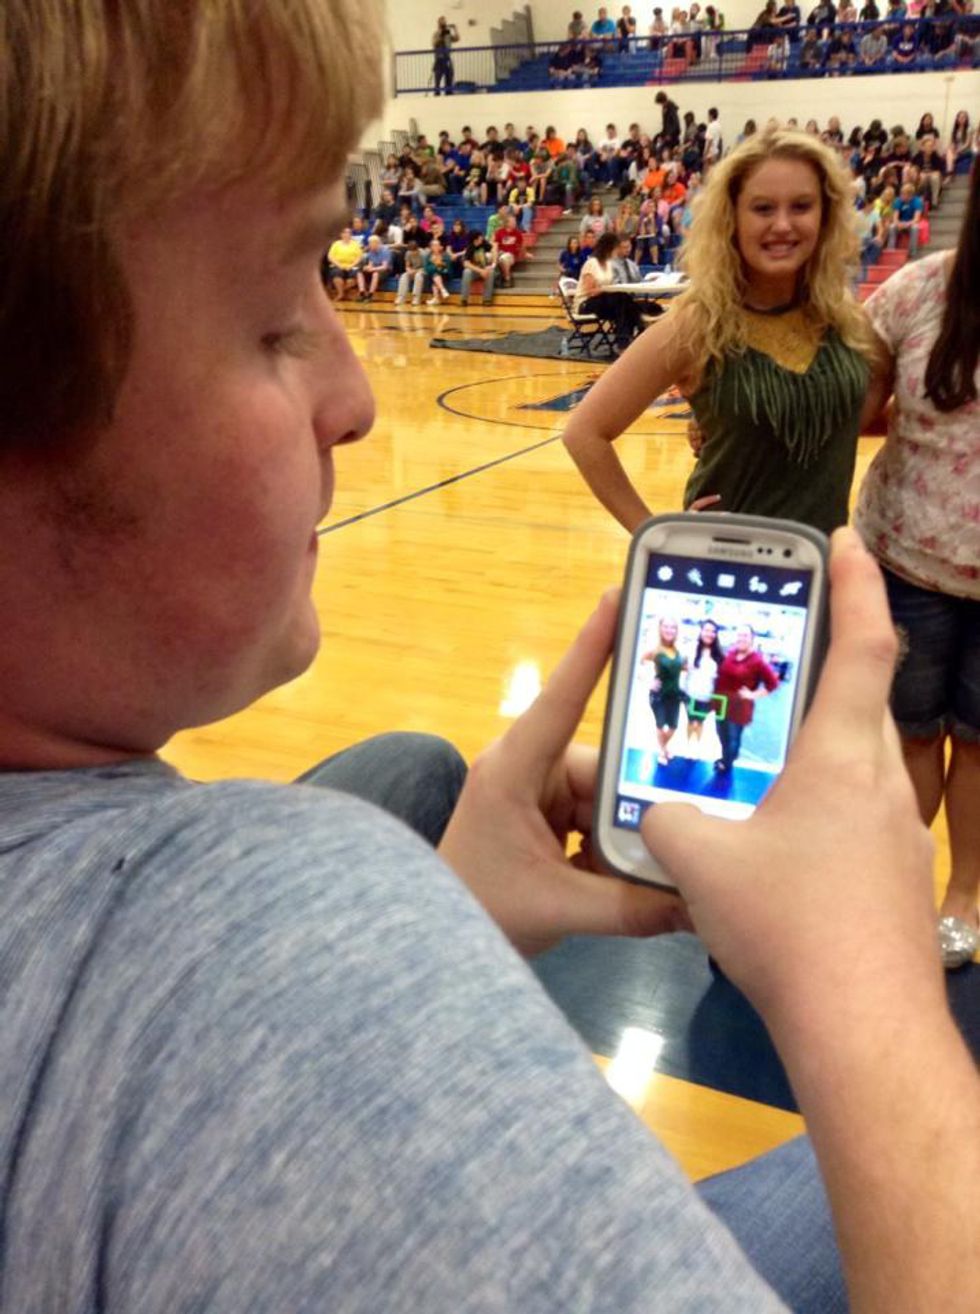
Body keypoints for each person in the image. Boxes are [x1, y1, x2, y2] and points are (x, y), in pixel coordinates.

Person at [4, 7, 980, 1314]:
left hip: (803, 587)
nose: (357, 398)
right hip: (727, 599)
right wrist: (878, 1013)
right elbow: (593, 431)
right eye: (275, 317)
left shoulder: (849, 326)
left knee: (419, 765)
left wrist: (451, 912)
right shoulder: (250, 909)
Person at [562, 128, 881, 535]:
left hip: (821, 557)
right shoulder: (698, 323)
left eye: (801, 206)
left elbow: (846, 418)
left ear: (826, 215)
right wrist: (656, 535)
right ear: (732, 219)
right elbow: (584, 433)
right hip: (724, 560)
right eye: (763, 208)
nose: (783, 224)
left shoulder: (846, 319)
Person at [855, 159, 980, 969]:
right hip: (907, 563)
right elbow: (854, 406)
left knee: (978, 745)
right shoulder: (918, 291)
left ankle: (963, 896)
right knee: (909, 737)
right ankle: (899, 888)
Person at [713, 626, 780, 773]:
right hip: (721, 703)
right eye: (739, 635)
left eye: (745, 636)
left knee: (733, 738)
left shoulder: (757, 661)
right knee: (721, 733)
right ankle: (726, 757)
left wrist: (752, 695)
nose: (741, 639)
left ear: (752, 639)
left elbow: (773, 683)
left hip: (739, 707)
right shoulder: (731, 653)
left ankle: (727, 763)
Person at [573, 230, 647, 350]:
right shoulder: (591, 263)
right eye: (616, 248)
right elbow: (589, 292)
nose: (617, 251)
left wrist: (607, 289)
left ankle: (626, 339)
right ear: (609, 248)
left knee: (623, 303)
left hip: (605, 300)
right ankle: (638, 329)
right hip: (586, 303)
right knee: (621, 301)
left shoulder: (608, 265)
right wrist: (605, 289)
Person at [641, 619, 689, 764]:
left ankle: (664, 747)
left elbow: (684, 668)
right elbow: (639, 661)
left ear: (676, 631)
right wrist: (647, 680)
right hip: (658, 695)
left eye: (673, 627)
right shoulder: (655, 649)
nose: (669, 630)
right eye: (666, 627)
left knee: (673, 727)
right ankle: (662, 751)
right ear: (660, 629)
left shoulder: (679, 651)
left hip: (674, 694)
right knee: (661, 726)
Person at [685, 619, 724, 755]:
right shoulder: (691, 648)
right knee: (691, 721)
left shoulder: (719, 655)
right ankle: (689, 745)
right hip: (690, 693)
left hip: (706, 696)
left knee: (699, 722)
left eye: (713, 631)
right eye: (707, 630)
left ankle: (695, 747)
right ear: (701, 631)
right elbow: (683, 666)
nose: (709, 634)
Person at [326, 225, 364, 301]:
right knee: (336, 274)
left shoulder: (356, 244)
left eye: (348, 233)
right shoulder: (336, 244)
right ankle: (340, 294)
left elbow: (359, 257)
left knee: (355, 276)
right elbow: (330, 257)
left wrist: (351, 265)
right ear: (341, 234)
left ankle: (342, 291)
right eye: (345, 232)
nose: (347, 234)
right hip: (338, 265)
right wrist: (339, 265)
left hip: (352, 266)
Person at [460, 231, 497, 306]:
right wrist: (480, 271)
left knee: (491, 272)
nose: (482, 238)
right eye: (480, 237)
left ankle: (487, 299)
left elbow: (493, 249)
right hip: (475, 270)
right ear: (475, 240)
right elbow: (466, 264)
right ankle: (464, 299)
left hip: (485, 268)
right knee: (466, 272)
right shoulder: (470, 247)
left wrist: (493, 264)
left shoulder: (483, 243)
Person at [356, 234, 391, 301]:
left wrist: (372, 269)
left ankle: (370, 295)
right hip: (374, 268)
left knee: (375, 274)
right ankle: (362, 294)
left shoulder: (385, 251)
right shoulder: (371, 251)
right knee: (359, 272)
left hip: (385, 270)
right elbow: (371, 264)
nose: (369, 245)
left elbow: (384, 267)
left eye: (370, 243)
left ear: (376, 243)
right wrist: (367, 267)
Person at [432, 15, 459, 94]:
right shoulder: (436, 34)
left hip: (447, 59)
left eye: (444, 23)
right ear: (438, 24)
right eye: (442, 23)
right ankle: (437, 96)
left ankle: (449, 94)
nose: (443, 25)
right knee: (437, 82)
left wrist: (455, 29)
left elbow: (457, 38)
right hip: (439, 60)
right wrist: (440, 35)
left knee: (449, 79)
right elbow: (434, 43)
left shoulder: (447, 34)